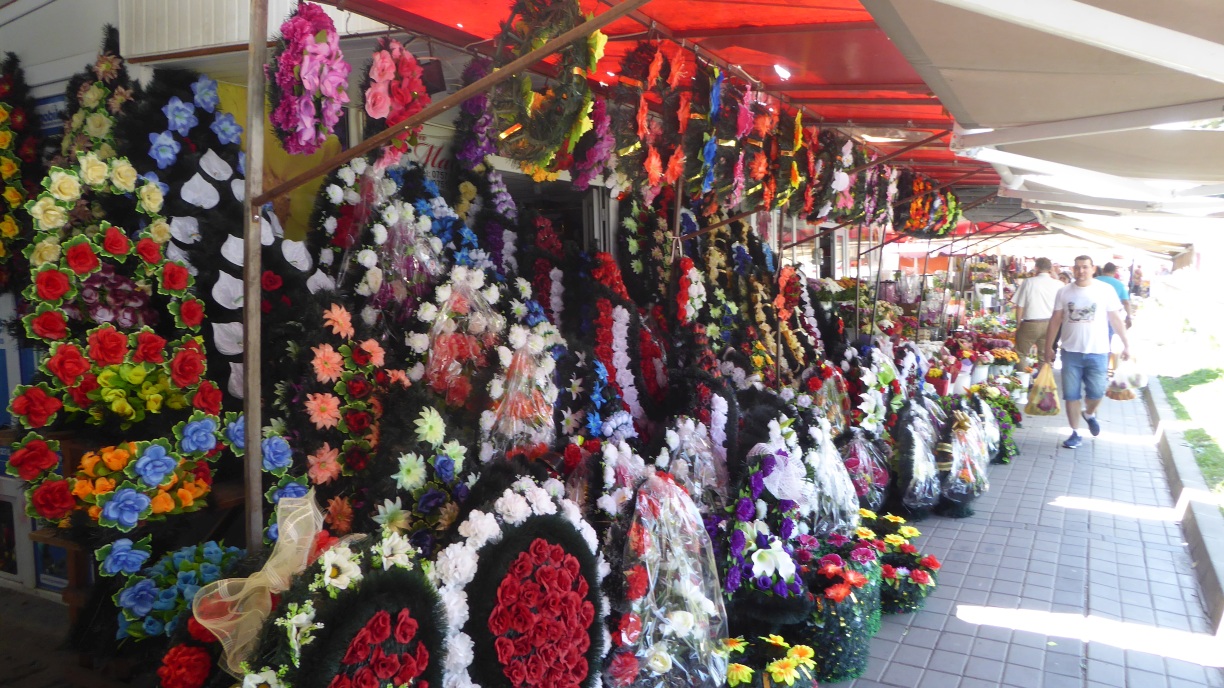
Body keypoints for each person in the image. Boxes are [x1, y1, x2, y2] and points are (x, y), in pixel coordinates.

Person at [1044, 255, 1130, 449]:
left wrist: (1126, 344)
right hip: (1070, 352)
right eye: (1077, 267)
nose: (1081, 271)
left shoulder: (1105, 290)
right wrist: (1048, 347)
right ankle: (1075, 433)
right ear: (1073, 269)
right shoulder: (1064, 291)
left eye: (1085, 267)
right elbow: (1055, 320)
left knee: (1097, 392)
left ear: (1093, 269)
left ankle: (1089, 413)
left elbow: (1115, 319)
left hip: (1098, 352)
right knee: (1071, 395)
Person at [1010, 257, 1064, 364]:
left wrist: (1018, 323)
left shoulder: (1029, 282)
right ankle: (1043, 375)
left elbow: (1020, 305)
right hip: (1050, 324)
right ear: (1050, 268)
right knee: (1044, 356)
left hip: (1031, 324)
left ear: (1036, 268)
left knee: (1021, 354)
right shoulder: (1059, 284)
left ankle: (1022, 375)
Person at [1096, 262, 1132, 329]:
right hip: (1112, 316)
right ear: (1115, 272)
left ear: (1103, 270)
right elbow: (1126, 302)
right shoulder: (1120, 285)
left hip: (1095, 315)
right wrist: (1128, 317)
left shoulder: (1093, 280)